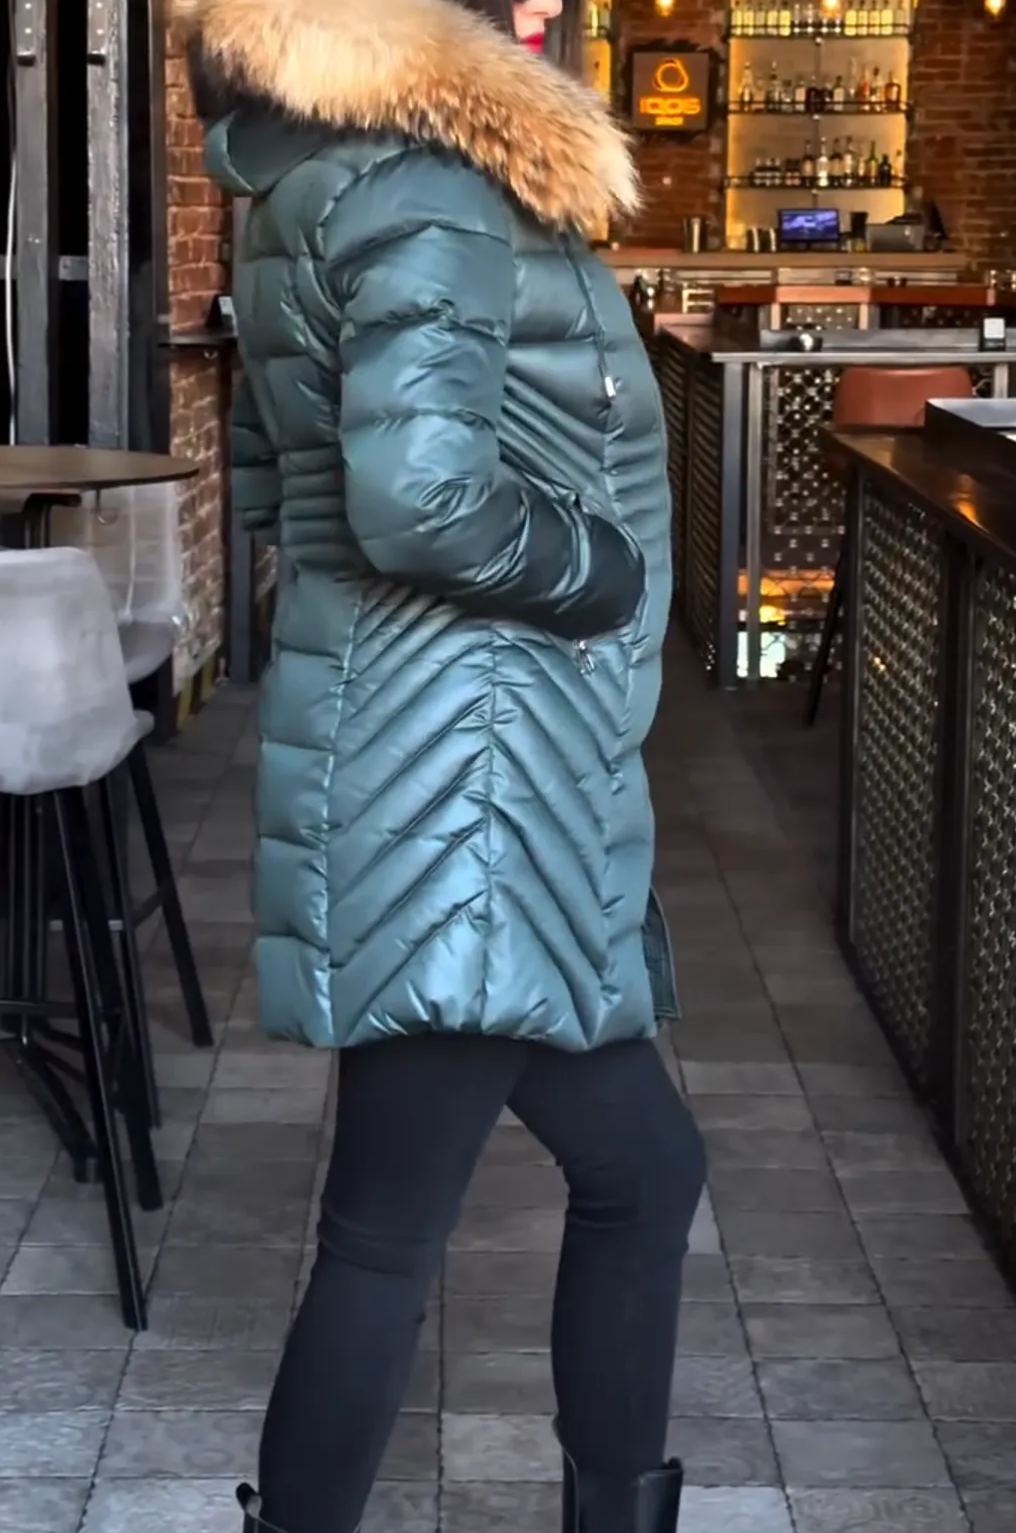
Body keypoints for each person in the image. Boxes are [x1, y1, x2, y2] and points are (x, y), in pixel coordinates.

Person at [177, 0, 707, 1527]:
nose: (546, 10)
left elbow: (274, 477)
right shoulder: (430, 181)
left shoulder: (314, 172)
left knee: (640, 1170)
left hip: (464, 763)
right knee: (387, 1232)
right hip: (467, 781)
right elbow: (416, 499)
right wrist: (603, 573)